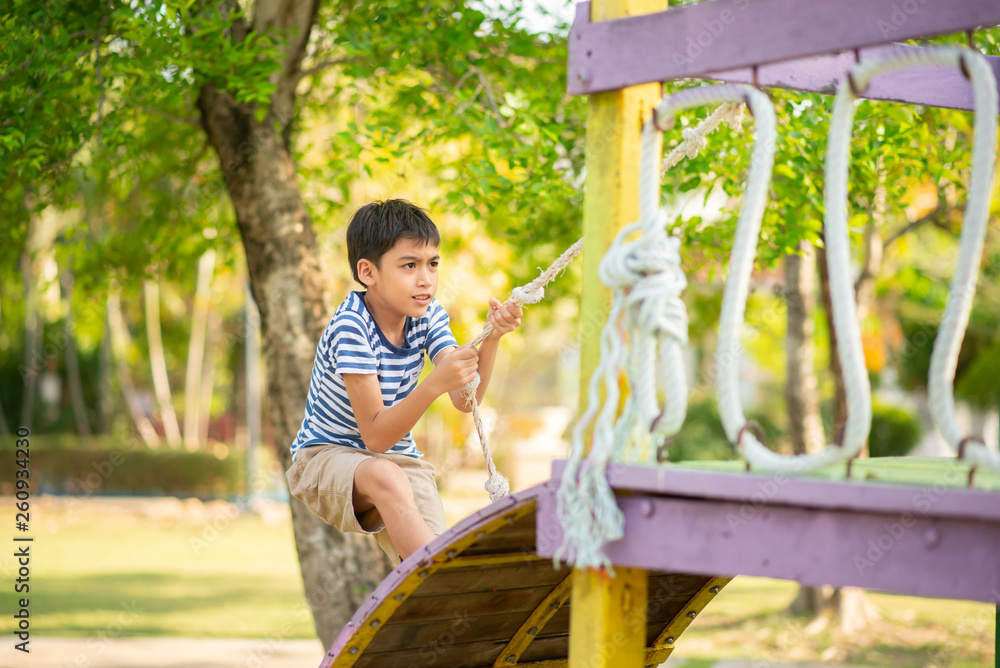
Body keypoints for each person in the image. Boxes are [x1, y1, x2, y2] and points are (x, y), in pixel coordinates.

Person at [285, 199, 522, 565]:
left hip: (395, 459)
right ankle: (440, 577)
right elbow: (376, 436)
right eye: (409, 265)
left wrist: (491, 338)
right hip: (324, 457)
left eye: (432, 264)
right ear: (368, 272)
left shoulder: (428, 316)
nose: (425, 278)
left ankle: (438, 589)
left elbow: (465, 399)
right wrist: (431, 385)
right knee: (387, 476)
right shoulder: (352, 327)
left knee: (433, 546)